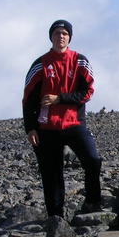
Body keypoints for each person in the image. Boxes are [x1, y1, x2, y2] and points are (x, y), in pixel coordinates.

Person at [22, 19, 102, 217]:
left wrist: (60, 99)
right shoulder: (40, 64)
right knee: (51, 174)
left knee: (93, 160)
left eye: (65, 33)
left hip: (74, 122)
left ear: (70, 37)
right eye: (57, 33)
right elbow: (28, 98)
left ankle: (93, 201)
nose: (61, 37)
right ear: (51, 37)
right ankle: (55, 218)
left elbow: (88, 92)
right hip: (46, 127)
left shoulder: (80, 61)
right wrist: (30, 128)